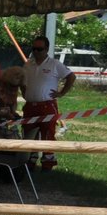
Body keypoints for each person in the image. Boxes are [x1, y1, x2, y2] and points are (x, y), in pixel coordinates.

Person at [21, 35, 75, 169]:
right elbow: (21, 79)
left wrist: (61, 93)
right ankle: (30, 160)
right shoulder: (28, 64)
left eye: (39, 49)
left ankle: (48, 162)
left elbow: (71, 77)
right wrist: (24, 91)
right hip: (30, 106)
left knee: (48, 133)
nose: (36, 52)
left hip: (47, 105)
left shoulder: (55, 64)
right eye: (34, 49)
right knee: (28, 133)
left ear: (47, 49)